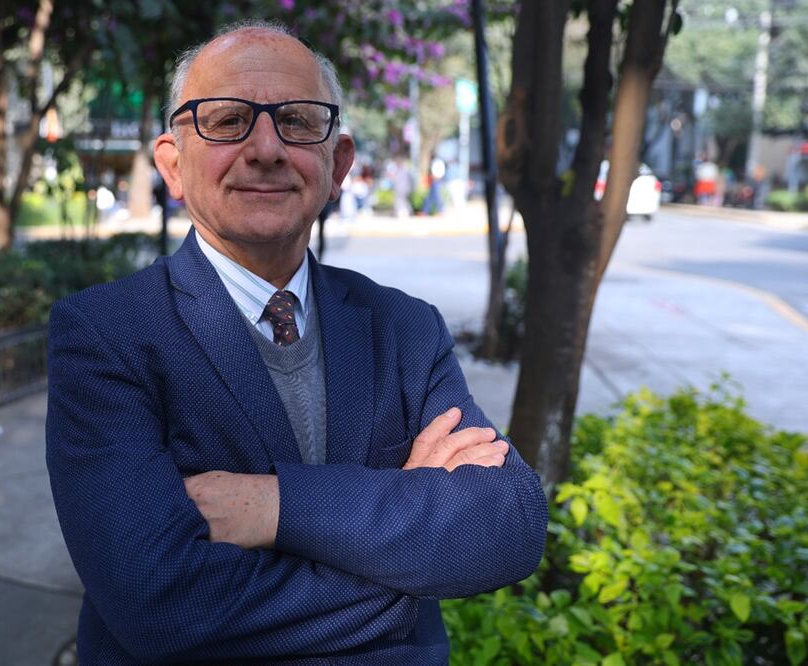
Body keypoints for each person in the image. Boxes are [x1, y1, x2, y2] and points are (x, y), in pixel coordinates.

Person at [46, 22, 547, 664]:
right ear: (173, 163)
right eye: (227, 121)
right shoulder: (104, 335)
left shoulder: (406, 328)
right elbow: (159, 601)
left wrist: (276, 505)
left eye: (298, 121)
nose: (265, 148)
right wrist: (406, 564)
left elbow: (509, 522)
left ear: (337, 165)